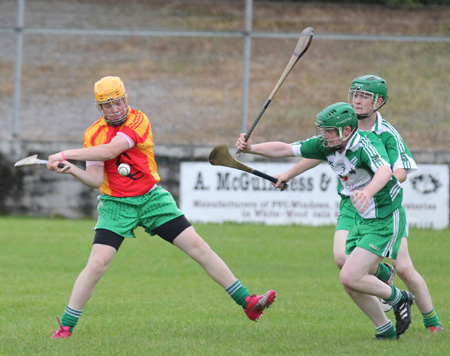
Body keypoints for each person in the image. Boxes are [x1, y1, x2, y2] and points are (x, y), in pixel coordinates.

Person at [47, 76, 276, 339]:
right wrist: (72, 170)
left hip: (151, 199)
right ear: (99, 108)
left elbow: (112, 150)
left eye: (118, 101)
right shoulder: (92, 133)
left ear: (125, 98)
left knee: (198, 247)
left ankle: (247, 303)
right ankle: (66, 327)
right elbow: (96, 179)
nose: (115, 109)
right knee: (98, 263)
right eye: (107, 105)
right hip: (116, 205)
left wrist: (65, 153)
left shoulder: (138, 120)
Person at [265, 75, 443, 334]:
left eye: (365, 97)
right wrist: (288, 174)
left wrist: (372, 190)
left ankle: (432, 322)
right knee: (342, 260)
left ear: (378, 102)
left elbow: (400, 171)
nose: (358, 101)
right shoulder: (341, 124)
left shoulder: (385, 134)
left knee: (403, 267)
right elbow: (321, 151)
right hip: (351, 205)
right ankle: (383, 293)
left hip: (382, 206)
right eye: (355, 95)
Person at [236, 102, 415, 340]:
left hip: (383, 216)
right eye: (324, 130)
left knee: (350, 276)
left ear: (348, 130)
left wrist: (367, 192)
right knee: (350, 277)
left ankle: (399, 298)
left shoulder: (365, 144)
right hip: (361, 215)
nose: (325, 136)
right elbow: (286, 149)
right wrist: (251, 148)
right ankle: (385, 330)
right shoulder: (327, 145)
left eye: (330, 131)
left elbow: (384, 171)